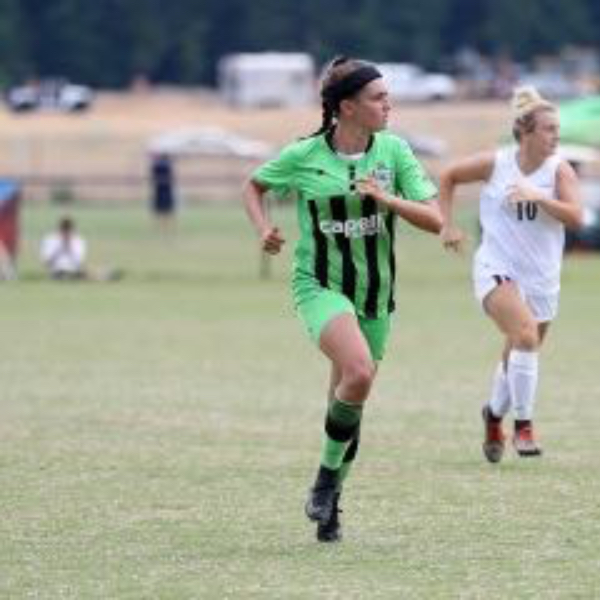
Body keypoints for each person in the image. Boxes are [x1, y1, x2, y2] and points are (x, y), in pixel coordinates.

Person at [243, 57, 441, 542]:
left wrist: (387, 200)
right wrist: (264, 228)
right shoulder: (304, 155)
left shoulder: (394, 151)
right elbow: (254, 186)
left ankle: (330, 500)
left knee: (351, 395)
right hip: (320, 286)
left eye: (388, 96)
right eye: (378, 98)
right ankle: (326, 482)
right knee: (359, 372)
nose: (388, 105)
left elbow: (435, 219)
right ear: (347, 107)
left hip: (375, 294)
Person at [438, 86, 583, 464]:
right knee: (525, 335)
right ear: (525, 132)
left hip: (542, 277)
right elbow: (449, 175)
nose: (556, 136)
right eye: (549, 129)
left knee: (521, 348)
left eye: (557, 129)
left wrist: (540, 197)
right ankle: (524, 426)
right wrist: (447, 224)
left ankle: (492, 416)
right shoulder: (497, 163)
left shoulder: (559, 170)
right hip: (496, 267)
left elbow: (576, 217)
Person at [150, 152, 176, 230]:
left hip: (160, 188)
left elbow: (153, 177)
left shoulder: (156, 165)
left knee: (161, 209)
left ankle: (161, 225)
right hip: (164, 188)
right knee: (166, 209)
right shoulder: (167, 165)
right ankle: (165, 225)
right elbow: (171, 176)